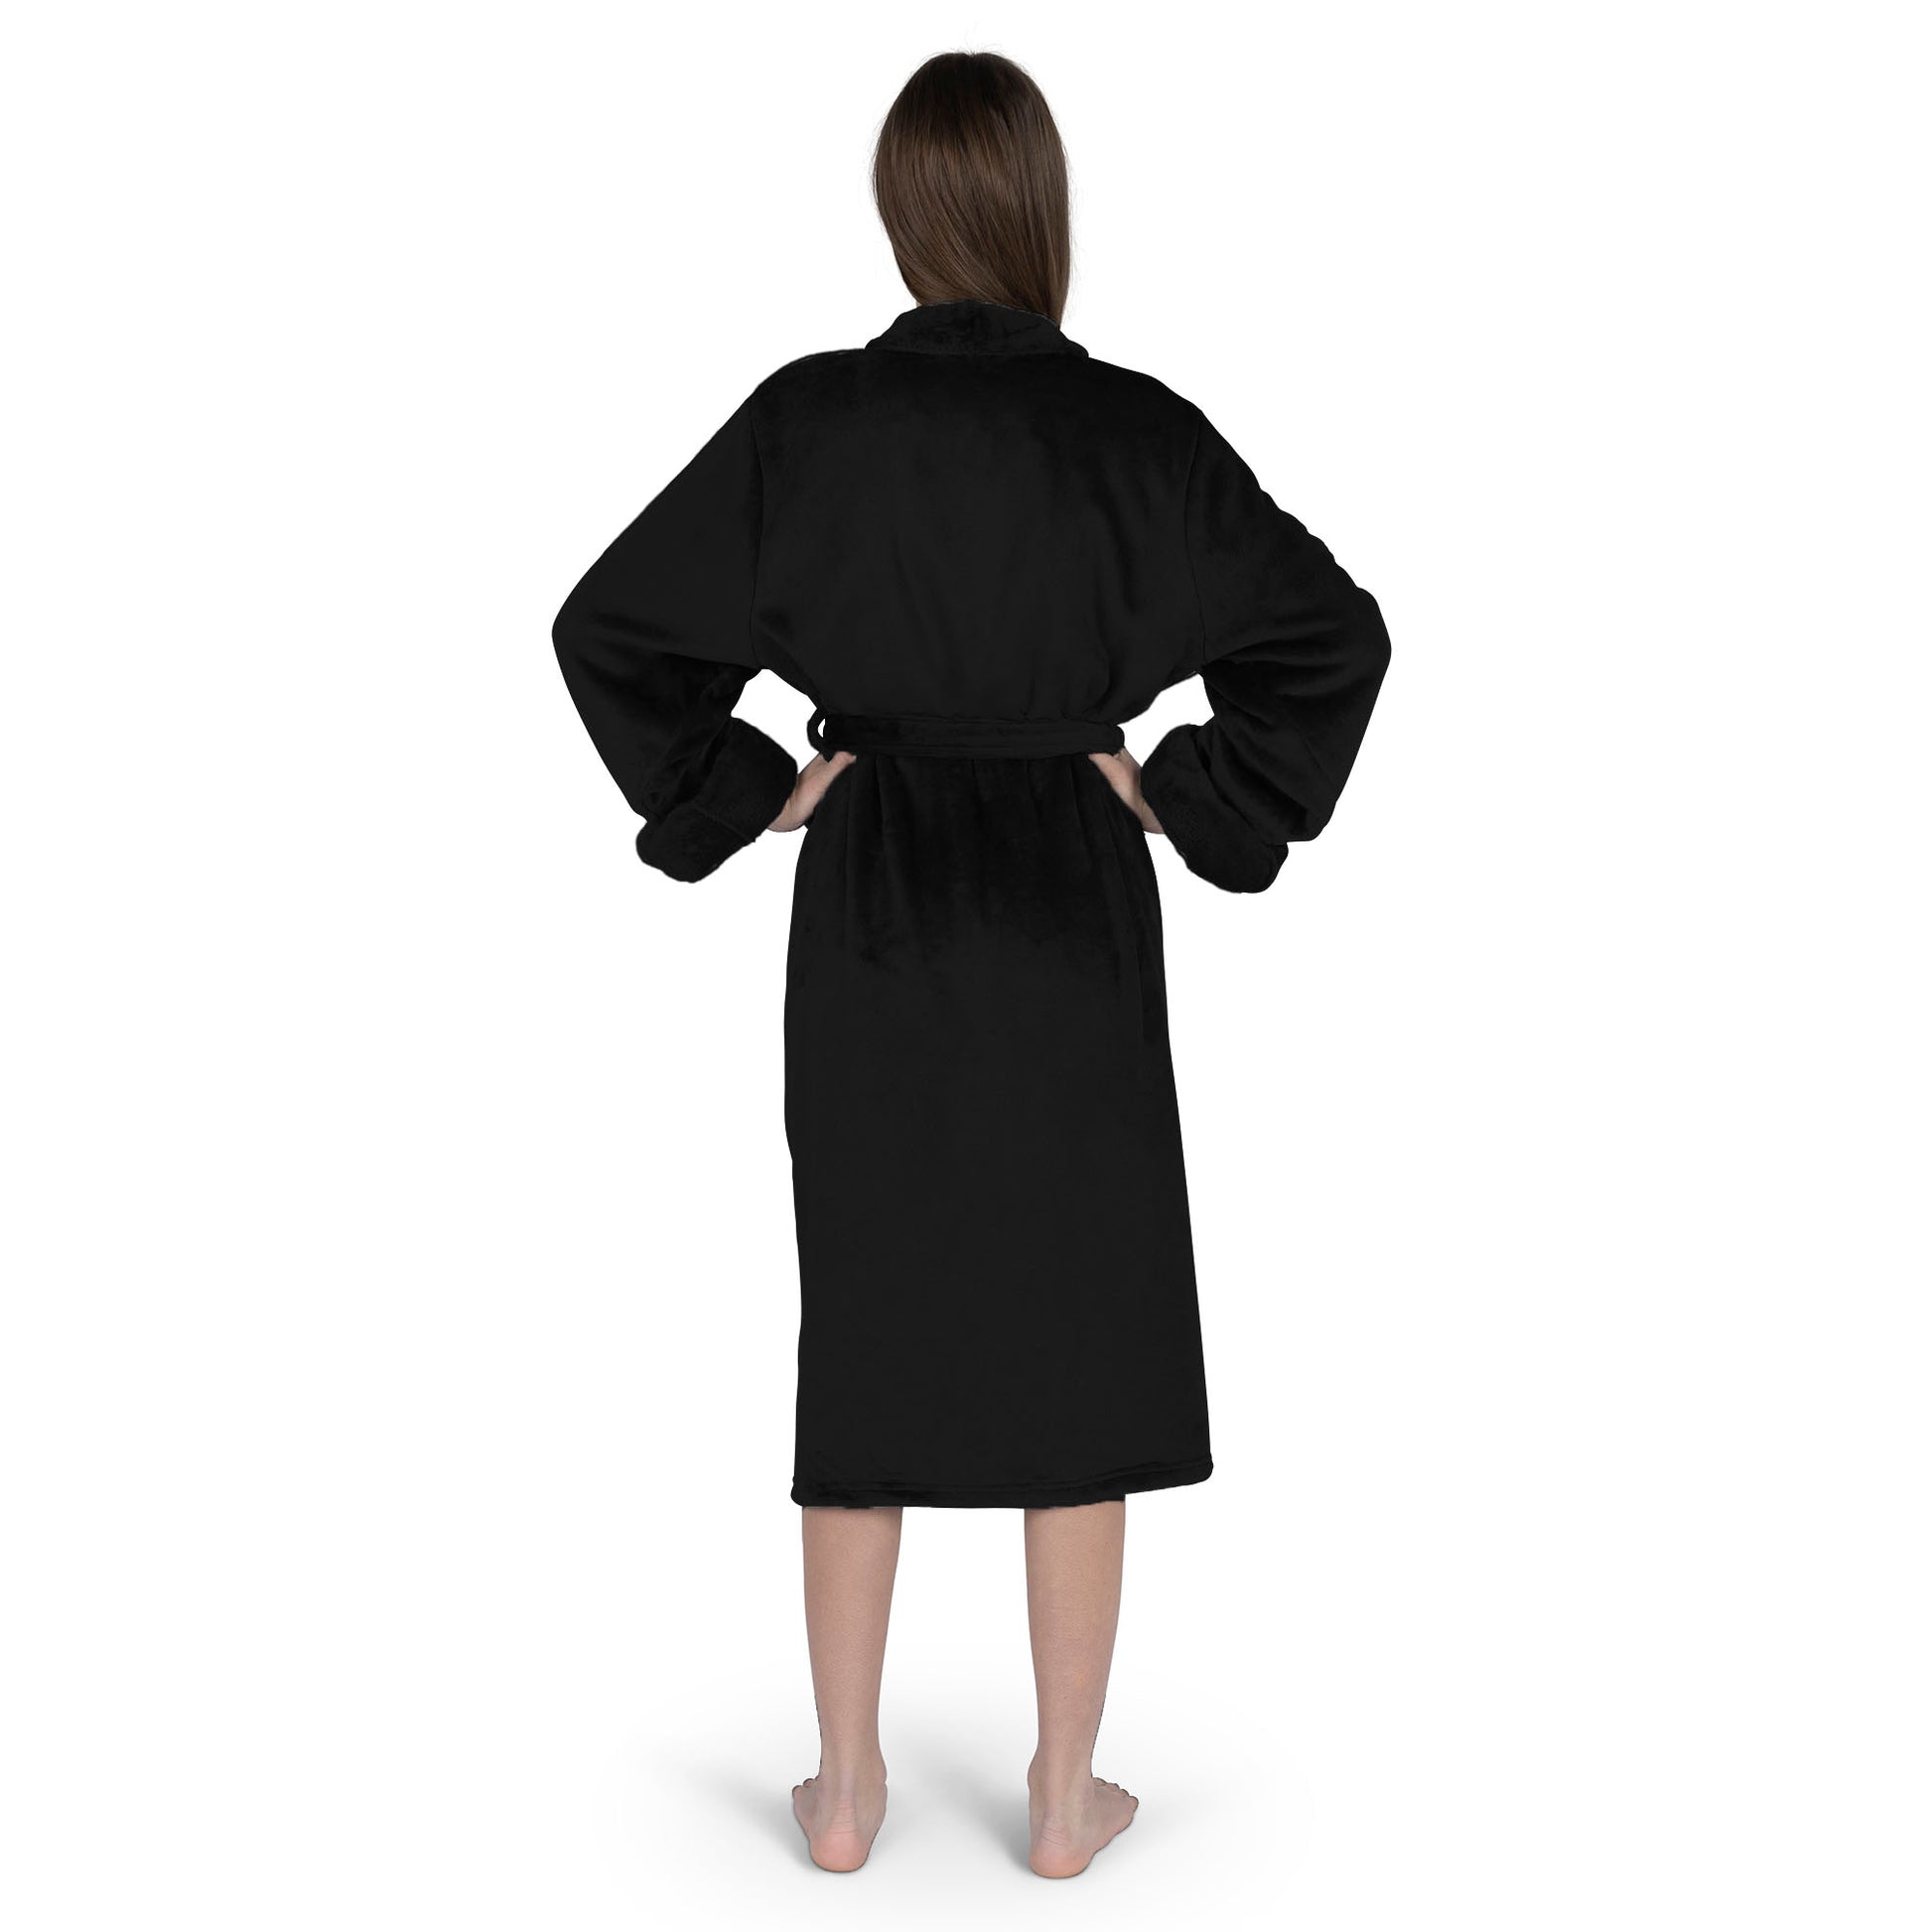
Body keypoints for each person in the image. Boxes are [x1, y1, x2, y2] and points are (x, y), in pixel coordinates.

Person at [551, 50, 1391, 1879]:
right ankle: (1064, 1797)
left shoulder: (809, 423)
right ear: (1039, 208)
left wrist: (753, 790)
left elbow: (608, 626)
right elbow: (1331, 639)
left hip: (876, 907)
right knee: (1077, 1342)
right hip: (1069, 909)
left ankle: (845, 1792)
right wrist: (1180, 793)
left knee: (867, 1331)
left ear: (900, 213)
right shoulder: (1135, 434)